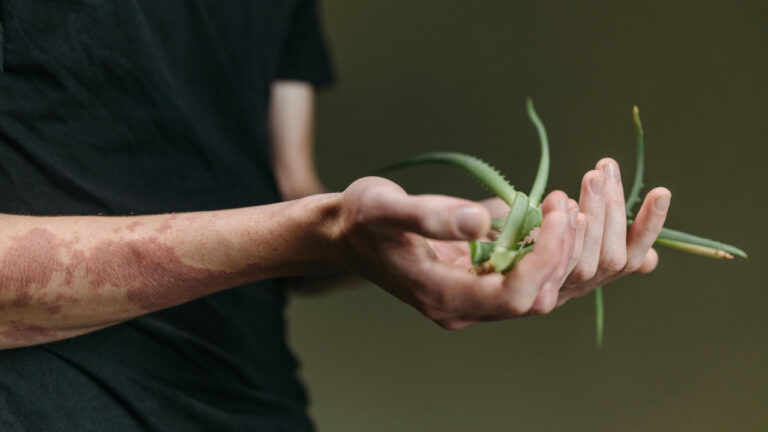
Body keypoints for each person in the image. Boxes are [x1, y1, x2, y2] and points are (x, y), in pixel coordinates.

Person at [0, 1, 671, 430]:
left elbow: (288, 192)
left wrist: (389, 239)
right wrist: (318, 230)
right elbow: (299, 225)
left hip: (252, 401)